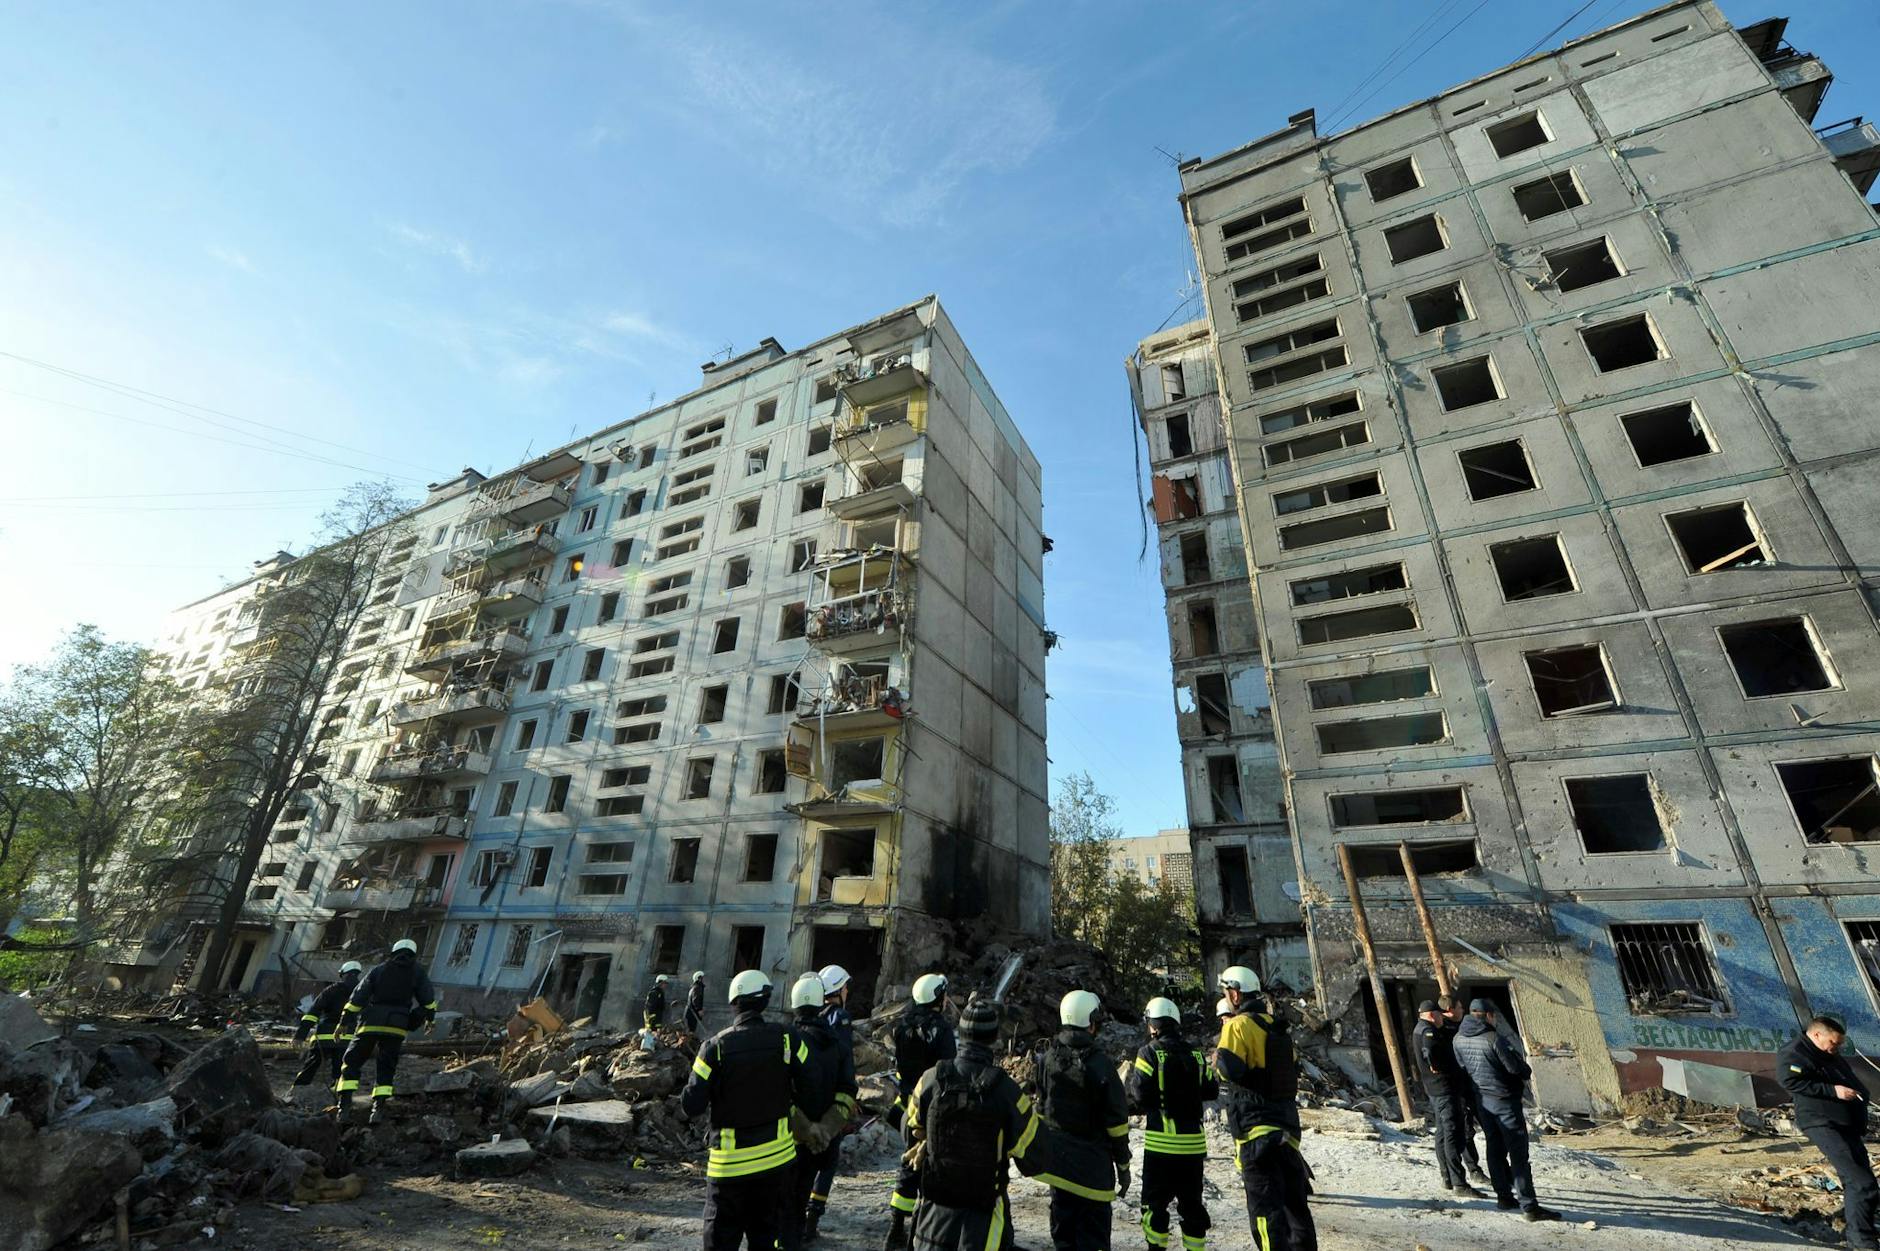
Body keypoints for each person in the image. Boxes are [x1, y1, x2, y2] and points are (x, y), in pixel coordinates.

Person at [904, 996, 1046, 1251]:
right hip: (983, 1220)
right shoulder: (1007, 1091)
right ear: (994, 1039)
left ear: (961, 1034)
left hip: (932, 1217)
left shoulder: (931, 1079)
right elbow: (1034, 1157)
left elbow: (911, 1125)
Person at [682, 969, 805, 1251]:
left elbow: (691, 1105)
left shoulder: (714, 1048)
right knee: (765, 1240)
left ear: (733, 1002)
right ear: (765, 1001)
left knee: (720, 1242)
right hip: (776, 1165)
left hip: (729, 1171)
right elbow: (811, 1085)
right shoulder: (787, 1039)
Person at [1213, 966, 1314, 1251]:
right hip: (1288, 1131)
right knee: (1297, 1211)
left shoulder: (1237, 1026)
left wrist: (1217, 1059)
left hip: (1256, 1132)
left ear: (1235, 993)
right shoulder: (1277, 1028)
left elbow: (1228, 1071)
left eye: (1226, 992)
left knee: (1265, 1215)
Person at [1033, 989, 1132, 1251]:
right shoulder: (1100, 1064)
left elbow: (1041, 1109)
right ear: (1090, 1022)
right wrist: (1123, 1166)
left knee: (1064, 1240)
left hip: (1059, 1170)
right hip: (1093, 1174)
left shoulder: (1048, 1059)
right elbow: (1117, 1123)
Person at [1451, 1000, 1559, 1222]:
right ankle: (1529, 1206)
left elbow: (1463, 1067)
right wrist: (1523, 1067)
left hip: (1483, 1101)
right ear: (1489, 1016)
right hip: (1505, 1101)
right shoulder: (1493, 1039)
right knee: (1518, 1154)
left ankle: (1504, 1197)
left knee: (1494, 1148)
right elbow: (1516, 1069)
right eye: (1494, 1016)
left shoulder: (1458, 1039)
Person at [1780, 1014, 1876, 1249]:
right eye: (1833, 1042)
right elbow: (1790, 1081)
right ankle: (1861, 1240)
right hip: (1822, 1123)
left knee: (1861, 1181)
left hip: (1845, 1125)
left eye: (1840, 1043)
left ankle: (1862, 1232)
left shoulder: (1828, 1053)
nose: (1837, 1047)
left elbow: (1847, 1078)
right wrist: (1834, 1092)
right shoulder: (1794, 1053)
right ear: (1816, 1035)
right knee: (1862, 1183)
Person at [1128, 997, 1215, 1251]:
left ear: (1153, 1025)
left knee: (1154, 1206)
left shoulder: (1149, 1053)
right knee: (1192, 1206)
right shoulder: (1197, 1055)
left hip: (1161, 1147)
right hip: (1193, 1148)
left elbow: (1140, 1094)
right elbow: (1210, 1090)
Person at [784, 974, 858, 1251]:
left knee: (785, 1203)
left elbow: (777, 1092)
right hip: (824, 1140)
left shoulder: (784, 1040)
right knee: (804, 1191)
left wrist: (803, 1128)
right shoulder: (837, 1043)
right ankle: (807, 1226)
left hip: (787, 1143)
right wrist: (825, 1130)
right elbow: (847, 1088)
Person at [886, 971, 958, 1250]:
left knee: (908, 1162)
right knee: (930, 1164)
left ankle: (896, 1223)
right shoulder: (940, 1030)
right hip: (931, 1107)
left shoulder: (902, 1027)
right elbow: (947, 1071)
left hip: (906, 1105)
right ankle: (919, 1227)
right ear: (938, 998)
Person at [335, 939, 438, 1123]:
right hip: (396, 1028)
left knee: (351, 1062)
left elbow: (358, 997)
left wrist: (343, 1022)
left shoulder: (379, 970)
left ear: (393, 952)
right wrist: (425, 1019)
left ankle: (344, 1108)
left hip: (370, 1023)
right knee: (386, 1066)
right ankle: (378, 1110)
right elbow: (428, 1000)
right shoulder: (418, 972)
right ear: (414, 954)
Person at [804, 963, 856, 1242]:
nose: (848, 991)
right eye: (846, 986)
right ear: (838, 990)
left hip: (807, 1099)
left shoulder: (810, 1017)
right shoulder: (841, 1018)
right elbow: (844, 1059)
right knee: (827, 1161)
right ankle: (812, 1216)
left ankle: (798, 1216)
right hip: (830, 1101)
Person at [1411, 998, 1475, 1197]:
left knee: (1442, 1132)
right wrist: (1437, 1066)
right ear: (1432, 1015)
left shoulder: (1419, 1029)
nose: (1442, 1017)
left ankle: (1447, 1177)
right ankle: (1459, 1183)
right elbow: (1430, 1052)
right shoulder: (1428, 1031)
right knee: (1451, 1133)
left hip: (1436, 1090)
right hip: (1443, 1089)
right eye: (1439, 1014)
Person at [293, 960, 362, 1089]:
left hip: (324, 1037)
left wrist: (300, 1035)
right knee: (340, 1069)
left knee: (311, 1064)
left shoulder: (331, 990)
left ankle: (296, 1089)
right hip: (346, 1038)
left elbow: (312, 1013)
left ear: (343, 974)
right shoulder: (362, 991)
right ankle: (337, 1096)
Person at [685, 971, 708, 1036]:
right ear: (699, 978)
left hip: (691, 1012)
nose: (703, 980)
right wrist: (699, 1010)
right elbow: (695, 1000)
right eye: (702, 978)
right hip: (692, 1013)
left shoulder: (695, 987)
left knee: (691, 1029)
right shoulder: (697, 987)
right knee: (691, 1030)